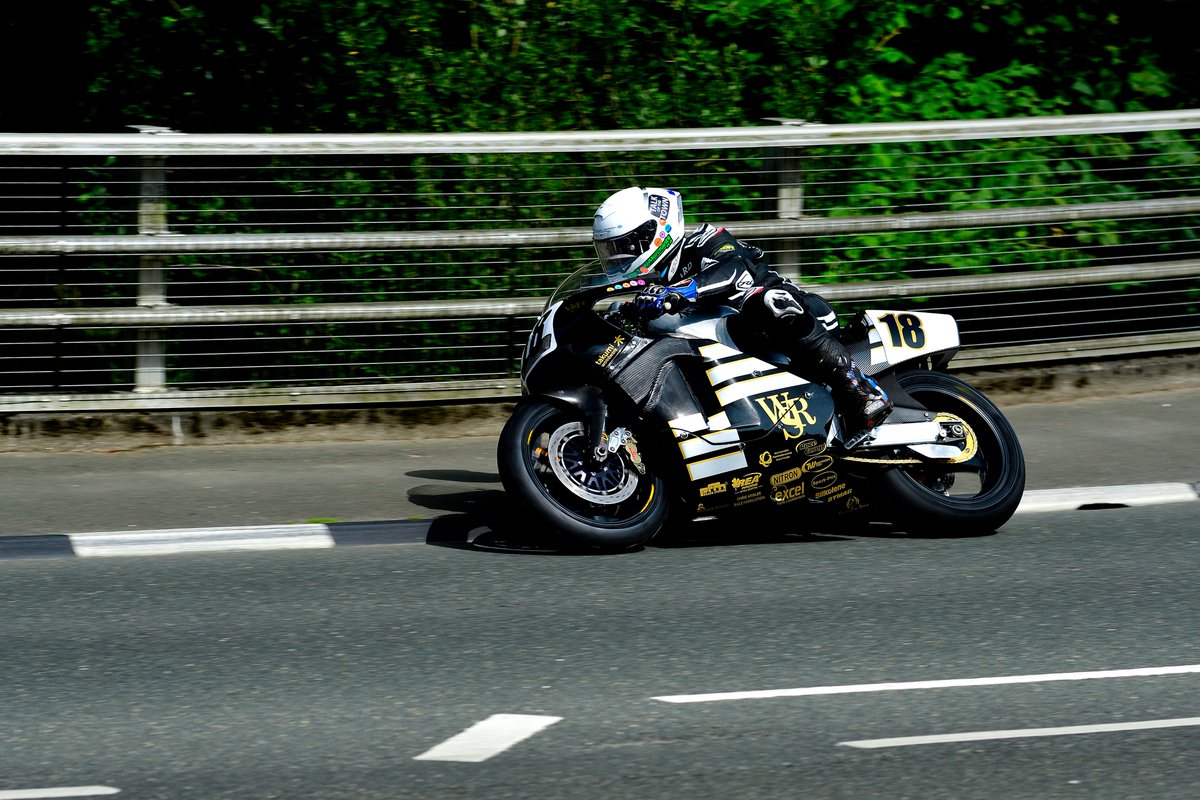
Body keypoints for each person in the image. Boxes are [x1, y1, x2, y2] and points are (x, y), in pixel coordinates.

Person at [591, 185, 892, 445]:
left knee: (769, 301)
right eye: (610, 250)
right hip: (743, 353)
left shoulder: (707, 241)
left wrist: (682, 291)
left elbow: (734, 270)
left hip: (796, 321)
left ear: (655, 233)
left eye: (624, 247)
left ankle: (859, 389)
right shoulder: (654, 287)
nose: (618, 257)